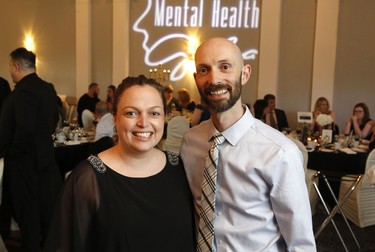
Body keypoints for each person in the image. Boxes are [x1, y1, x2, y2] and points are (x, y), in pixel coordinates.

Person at [180, 37, 316, 251]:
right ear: (196, 78)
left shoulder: (279, 152)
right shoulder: (190, 142)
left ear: (244, 74)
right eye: (204, 70)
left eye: (225, 67)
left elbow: (301, 244)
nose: (214, 78)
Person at [44, 75, 195, 251]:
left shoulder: (178, 169)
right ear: (115, 119)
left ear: (163, 118)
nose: (143, 123)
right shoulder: (88, 178)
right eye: (131, 113)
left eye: (154, 113)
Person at [0, 48, 62, 252]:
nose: (10, 70)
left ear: (16, 66)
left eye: (10, 66)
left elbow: (25, 128)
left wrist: (11, 152)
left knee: (29, 217)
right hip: (46, 159)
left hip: (24, 164)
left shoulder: (23, 92)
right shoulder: (47, 88)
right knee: (44, 211)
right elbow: (55, 119)